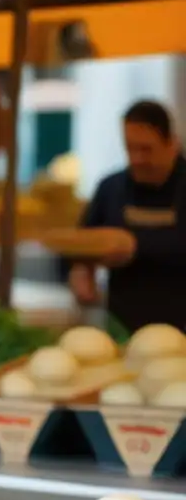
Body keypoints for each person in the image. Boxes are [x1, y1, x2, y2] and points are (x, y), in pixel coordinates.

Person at [68, 100, 186, 332]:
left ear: (172, 144)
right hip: (122, 328)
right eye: (130, 149)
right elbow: (81, 243)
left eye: (146, 149)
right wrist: (81, 270)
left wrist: (135, 246)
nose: (136, 159)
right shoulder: (110, 188)